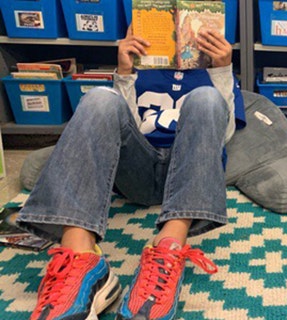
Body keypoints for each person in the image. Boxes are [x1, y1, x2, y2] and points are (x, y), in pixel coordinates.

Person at [17, 25, 245, 320]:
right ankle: (81, 256)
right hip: (138, 166)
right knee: (99, 97)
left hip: (190, 177)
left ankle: (168, 245)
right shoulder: (144, 67)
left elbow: (222, 136)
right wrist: (124, 74)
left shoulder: (214, 74)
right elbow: (116, 129)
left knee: (207, 98)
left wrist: (223, 71)